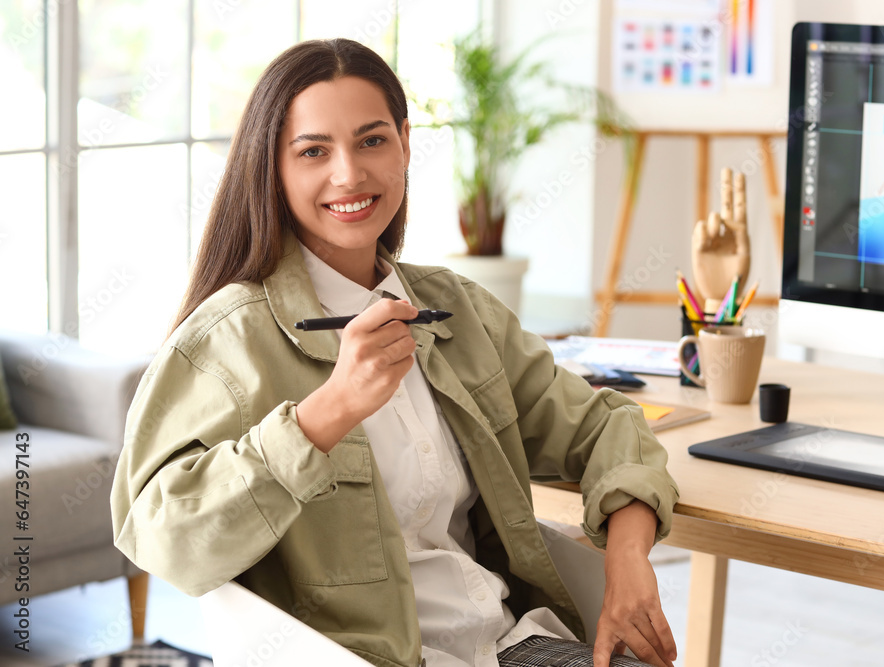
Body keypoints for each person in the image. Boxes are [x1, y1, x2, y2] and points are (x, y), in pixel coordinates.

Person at [111, 38, 679, 667]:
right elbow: (165, 540)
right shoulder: (225, 342)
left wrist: (628, 561)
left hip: (508, 646)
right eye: (313, 151)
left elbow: (605, 423)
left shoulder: (455, 308)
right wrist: (324, 415)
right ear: (273, 168)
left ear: (406, 143)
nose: (349, 174)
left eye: (372, 140)